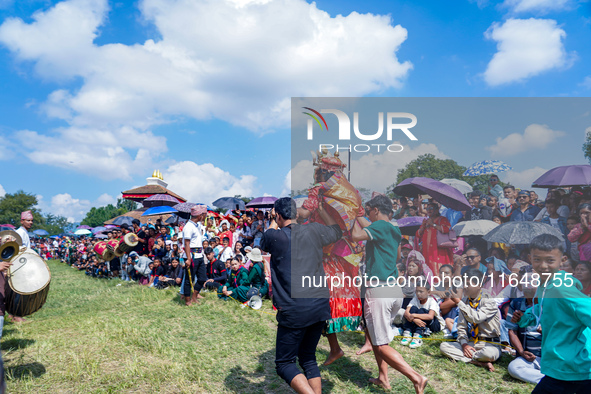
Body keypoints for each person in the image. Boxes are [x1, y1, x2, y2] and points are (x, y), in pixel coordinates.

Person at [260, 197, 342, 394]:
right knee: (308, 357)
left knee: (284, 363)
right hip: (320, 306)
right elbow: (337, 230)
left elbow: (265, 240)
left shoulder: (275, 237)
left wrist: (273, 218)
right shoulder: (314, 230)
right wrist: (321, 209)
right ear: (296, 214)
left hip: (294, 308)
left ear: (277, 215)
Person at [351, 194, 428, 393]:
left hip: (379, 291)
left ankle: (416, 377)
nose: (368, 215)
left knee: (382, 344)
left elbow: (356, 236)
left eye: (369, 211)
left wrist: (352, 218)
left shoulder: (380, 226)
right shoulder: (394, 229)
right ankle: (383, 378)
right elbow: (396, 257)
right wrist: (359, 213)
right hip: (394, 290)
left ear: (376, 210)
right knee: (379, 339)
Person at [513, 234, 591, 393]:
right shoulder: (545, 284)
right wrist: (525, 317)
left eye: (550, 260)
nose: (543, 266)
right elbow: (542, 308)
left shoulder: (560, 288)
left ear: (562, 260)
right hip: (561, 363)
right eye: (537, 260)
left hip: (574, 366)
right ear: (530, 258)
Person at [440, 268, 502, 372]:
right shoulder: (465, 301)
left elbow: (476, 318)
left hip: (489, 344)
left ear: (479, 285)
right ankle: (477, 361)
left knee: (487, 354)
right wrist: (464, 345)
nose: (465, 286)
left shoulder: (489, 300)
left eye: (468, 283)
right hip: (472, 343)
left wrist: (458, 303)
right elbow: (461, 327)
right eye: (464, 283)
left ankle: (473, 358)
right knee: (444, 347)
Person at [506, 274, 543, 385]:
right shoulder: (516, 303)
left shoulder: (548, 304)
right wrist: (522, 352)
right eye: (525, 282)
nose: (527, 286)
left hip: (550, 356)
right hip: (530, 357)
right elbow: (512, 331)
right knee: (513, 368)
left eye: (531, 283)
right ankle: (548, 379)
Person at [401, 278, 443, 349]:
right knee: (413, 308)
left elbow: (430, 317)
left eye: (421, 292)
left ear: (429, 292)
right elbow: (406, 312)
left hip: (435, 325)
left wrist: (414, 316)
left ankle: (418, 336)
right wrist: (414, 319)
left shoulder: (431, 301)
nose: (418, 294)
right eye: (417, 291)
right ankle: (408, 332)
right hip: (420, 321)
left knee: (422, 310)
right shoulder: (415, 299)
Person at [417, 202, 453, 275]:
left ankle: (439, 282)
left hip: (439, 250)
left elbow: (447, 229)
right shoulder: (426, 220)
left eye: (431, 208)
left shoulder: (442, 219)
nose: (429, 210)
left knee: (438, 266)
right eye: (427, 208)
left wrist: (433, 224)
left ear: (437, 210)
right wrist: (423, 226)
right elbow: (418, 234)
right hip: (427, 250)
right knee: (427, 265)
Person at [182, 205, 208, 306]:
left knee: (202, 278)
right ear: (199, 216)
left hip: (199, 255)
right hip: (191, 255)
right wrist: (188, 258)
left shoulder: (197, 225)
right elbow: (187, 243)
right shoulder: (188, 227)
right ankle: (187, 300)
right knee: (189, 279)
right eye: (203, 215)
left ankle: (194, 297)